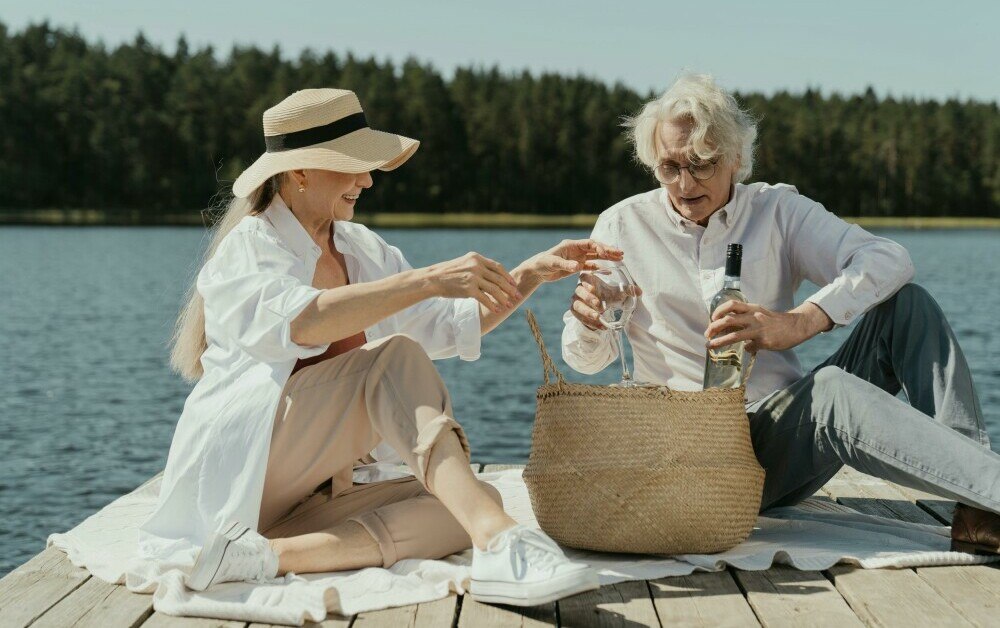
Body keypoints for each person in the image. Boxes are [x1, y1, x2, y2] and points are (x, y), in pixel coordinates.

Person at [144, 88, 622, 606]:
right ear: (299, 172)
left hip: (316, 497)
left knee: (471, 501)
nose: (368, 180)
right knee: (393, 359)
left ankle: (268, 557)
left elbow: (446, 323)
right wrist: (428, 279)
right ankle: (505, 541)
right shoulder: (251, 249)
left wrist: (529, 274)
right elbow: (305, 320)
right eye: (353, 165)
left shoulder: (359, 247)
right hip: (249, 482)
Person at [562, 74, 1000, 556]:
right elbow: (585, 362)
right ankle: (989, 488)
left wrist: (802, 320)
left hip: (780, 444)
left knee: (907, 305)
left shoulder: (778, 211)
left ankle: (978, 505)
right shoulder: (622, 224)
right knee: (833, 393)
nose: (684, 184)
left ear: (735, 159)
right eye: (669, 167)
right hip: (690, 456)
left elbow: (889, 259)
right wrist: (589, 322)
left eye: (702, 165)